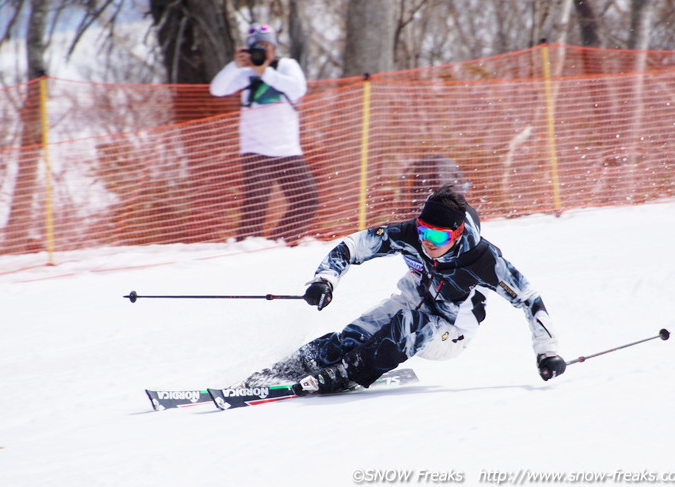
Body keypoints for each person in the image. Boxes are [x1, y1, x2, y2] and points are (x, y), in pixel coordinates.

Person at [243, 184, 566, 393]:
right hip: (414, 298)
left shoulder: (482, 259)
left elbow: (529, 299)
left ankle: (346, 374)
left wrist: (547, 352)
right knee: (354, 334)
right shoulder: (411, 235)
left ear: (456, 234)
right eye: (424, 230)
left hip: (451, 329)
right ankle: (291, 367)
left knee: (408, 327)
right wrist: (324, 280)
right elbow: (353, 246)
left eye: (438, 237)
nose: (427, 242)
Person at [210, 24, 318, 244]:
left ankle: (280, 242)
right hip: (255, 148)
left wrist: (265, 72)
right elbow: (217, 89)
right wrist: (234, 65)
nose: (261, 52)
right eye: (256, 48)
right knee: (256, 203)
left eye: (265, 47)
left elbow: (298, 89)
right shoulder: (243, 73)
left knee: (307, 199)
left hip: (287, 149)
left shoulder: (286, 65)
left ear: (273, 48)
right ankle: (245, 247)